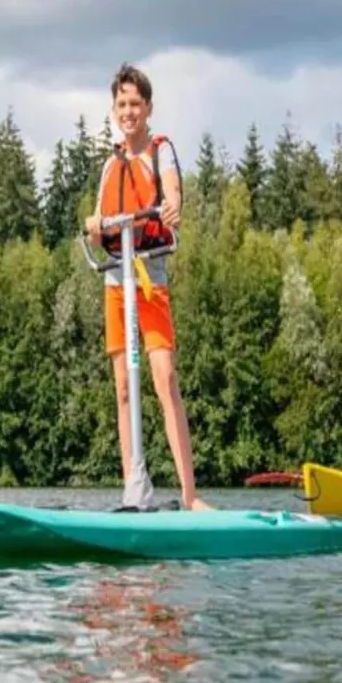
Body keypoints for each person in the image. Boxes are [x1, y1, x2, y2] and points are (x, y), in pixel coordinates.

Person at [84, 63, 210, 511]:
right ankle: (133, 487)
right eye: (121, 104)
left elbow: (171, 193)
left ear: (148, 108)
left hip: (149, 274)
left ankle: (190, 497)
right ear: (114, 109)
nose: (128, 111)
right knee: (122, 385)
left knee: (164, 376)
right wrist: (95, 226)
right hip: (117, 277)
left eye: (136, 103)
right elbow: (99, 220)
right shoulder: (108, 165)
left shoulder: (161, 152)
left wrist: (171, 207)